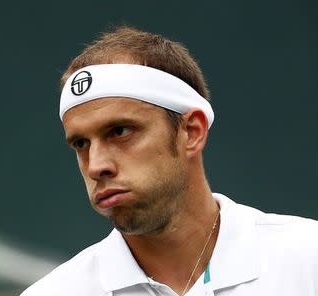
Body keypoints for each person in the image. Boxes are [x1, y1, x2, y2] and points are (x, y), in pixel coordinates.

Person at [21, 26, 318, 296]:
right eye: (81, 143)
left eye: (120, 131)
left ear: (192, 132)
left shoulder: (308, 259)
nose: (96, 165)